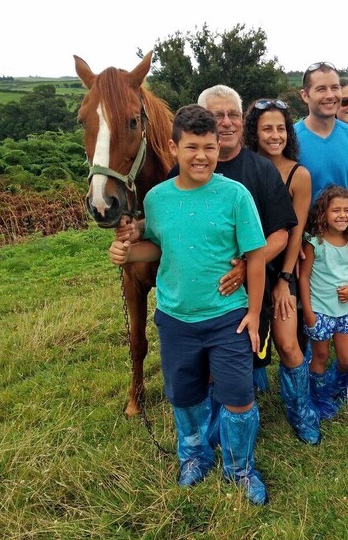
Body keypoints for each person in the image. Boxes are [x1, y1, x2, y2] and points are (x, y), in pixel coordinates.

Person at [108, 104, 269, 505]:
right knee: (185, 396)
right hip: (176, 319)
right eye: (192, 146)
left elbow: (257, 256)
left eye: (210, 147)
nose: (202, 156)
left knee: (239, 397)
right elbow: (154, 247)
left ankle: (240, 467)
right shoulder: (158, 200)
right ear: (172, 147)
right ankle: (193, 456)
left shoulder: (236, 195)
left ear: (219, 148)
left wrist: (252, 314)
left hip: (228, 316)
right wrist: (125, 251)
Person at [118, 85, 298, 396]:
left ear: (243, 121)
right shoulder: (179, 173)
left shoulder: (261, 169)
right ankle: (220, 406)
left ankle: (299, 408)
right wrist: (135, 233)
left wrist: (247, 266)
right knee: (217, 368)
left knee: (286, 342)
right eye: (218, 115)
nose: (227, 122)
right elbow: (171, 222)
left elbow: (281, 234)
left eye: (234, 115)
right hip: (210, 291)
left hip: (263, 274)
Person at [243, 98, 320, 444]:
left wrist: (284, 279)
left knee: (289, 343)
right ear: (254, 134)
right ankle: (245, 402)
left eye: (280, 128)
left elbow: (296, 231)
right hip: (243, 269)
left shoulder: (298, 174)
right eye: (266, 129)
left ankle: (301, 410)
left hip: (280, 267)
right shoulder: (242, 168)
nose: (275, 135)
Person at [298, 185, 348, 419]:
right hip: (319, 310)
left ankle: (332, 386)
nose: (342, 215)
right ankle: (317, 396)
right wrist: (308, 312)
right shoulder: (315, 242)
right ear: (323, 213)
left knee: (347, 359)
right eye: (336, 210)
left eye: (347, 210)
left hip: (344, 311)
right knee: (321, 356)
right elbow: (303, 277)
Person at [294, 62, 348, 238]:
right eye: (321, 89)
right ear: (305, 95)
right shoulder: (290, 138)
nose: (330, 95)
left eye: (335, 88)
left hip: (345, 240)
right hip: (305, 241)